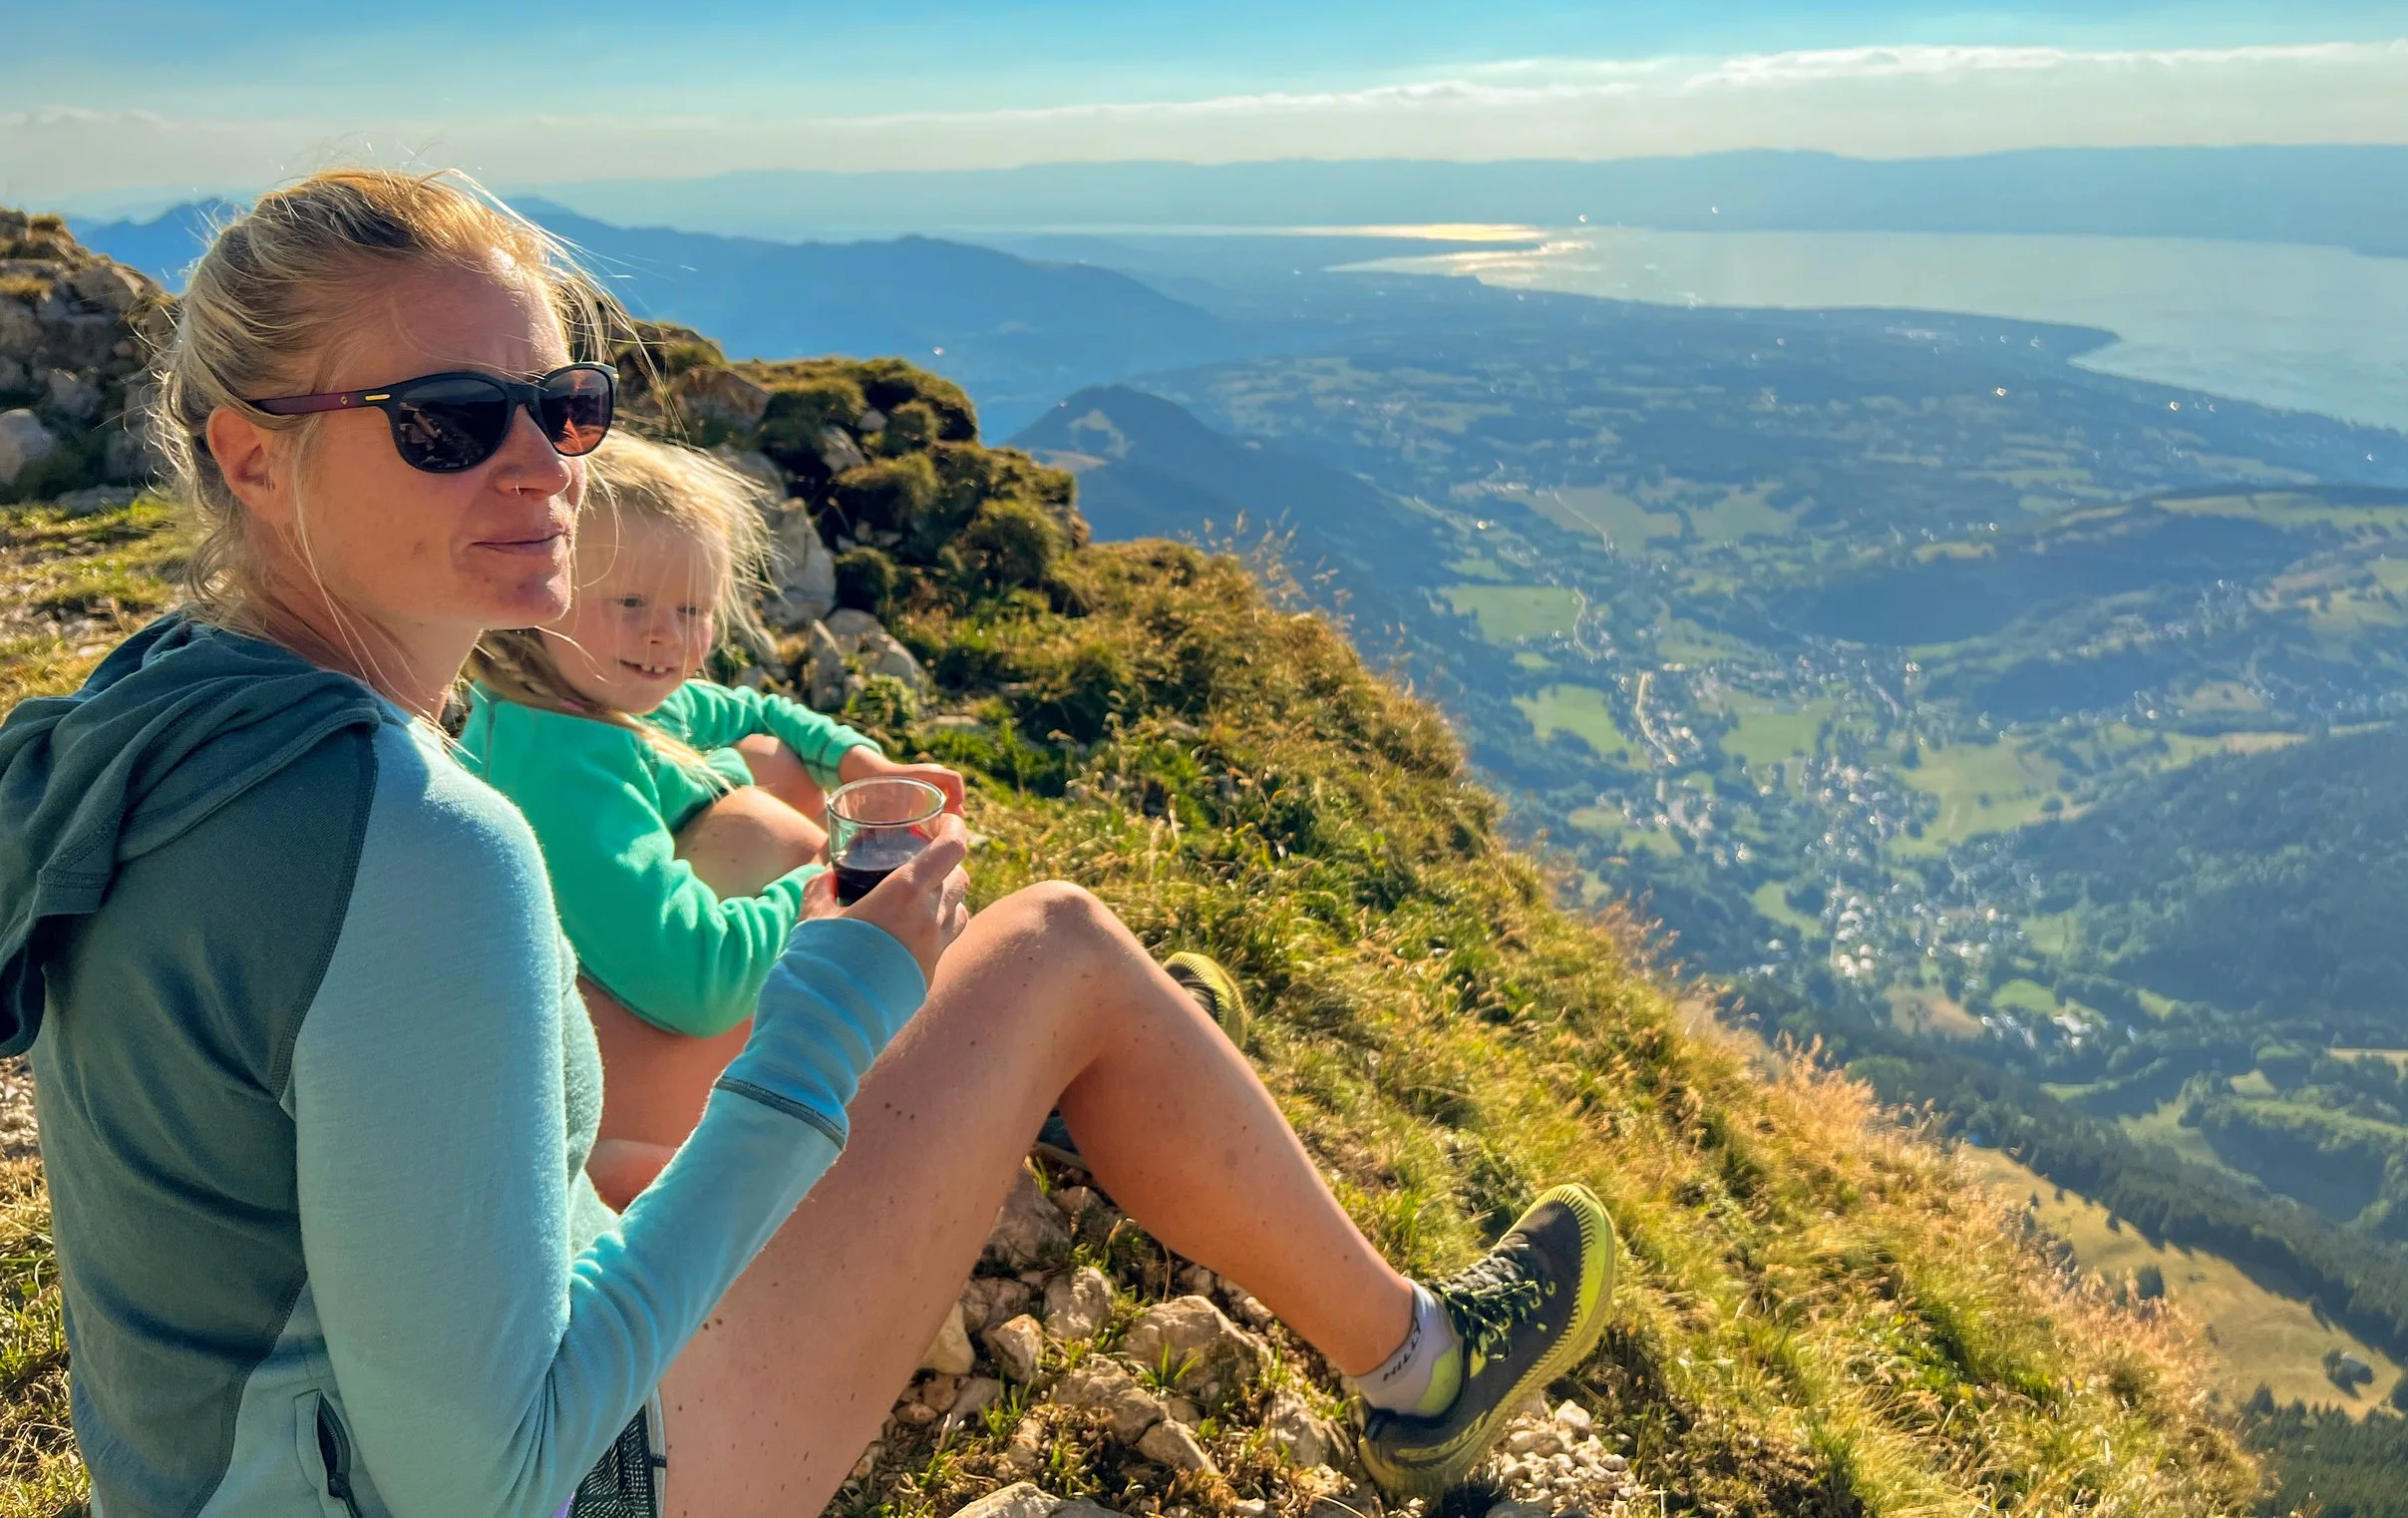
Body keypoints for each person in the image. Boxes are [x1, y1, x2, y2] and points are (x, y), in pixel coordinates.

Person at [0, 169, 1617, 1518]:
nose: (541, 469)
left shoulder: (162, 719)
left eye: (564, 408)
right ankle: (1426, 1375)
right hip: (551, 1476)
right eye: (442, 421)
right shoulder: (421, 851)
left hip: (259, 1452)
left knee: (789, 1075)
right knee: (1055, 945)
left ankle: (1014, 1118)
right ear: (251, 458)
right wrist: (837, 1005)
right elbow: (489, 1483)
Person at [458, 430, 1240, 1201]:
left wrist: (863, 764)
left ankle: (1000, 1045)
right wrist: (832, 887)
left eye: (693, 610)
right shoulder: (561, 766)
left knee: (767, 757)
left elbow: (749, 709)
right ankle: (1011, 1071)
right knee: (789, 825)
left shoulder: (582, 700)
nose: (664, 634)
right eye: (629, 601)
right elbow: (695, 980)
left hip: (634, 1049)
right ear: (546, 584)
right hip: (633, 1099)